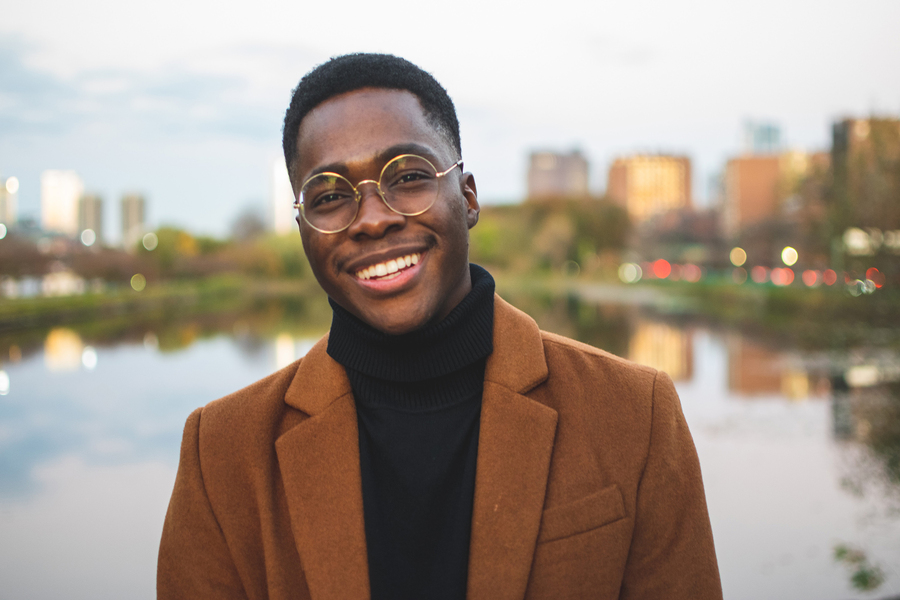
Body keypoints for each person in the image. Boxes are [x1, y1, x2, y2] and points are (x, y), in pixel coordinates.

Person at [157, 53, 722, 600]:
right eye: (330, 195)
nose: (374, 218)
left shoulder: (633, 413)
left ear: (468, 197)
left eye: (406, 177)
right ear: (304, 227)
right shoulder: (222, 453)